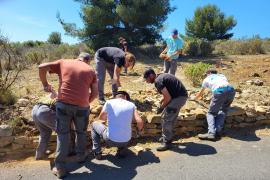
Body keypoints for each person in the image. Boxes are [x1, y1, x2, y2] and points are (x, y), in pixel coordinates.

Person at [38, 52, 98, 178]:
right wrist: (85, 102)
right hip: (82, 107)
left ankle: (59, 167)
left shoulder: (63, 62)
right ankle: (81, 156)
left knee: (63, 134)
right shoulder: (91, 70)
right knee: (81, 132)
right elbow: (95, 93)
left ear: (78, 58)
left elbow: (41, 67)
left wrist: (45, 84)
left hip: (64, 105)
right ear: (88, 60)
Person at [143, 69, 188, 151]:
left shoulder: (158, 81)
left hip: (178, 98)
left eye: (147, 79)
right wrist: (162, 101)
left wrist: (161, 107)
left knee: (166, 118)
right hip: (180, 96)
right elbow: (168, 93)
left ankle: (166, 142)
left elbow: (168, 98)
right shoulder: (161, 76)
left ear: (151, 76)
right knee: (171, 117)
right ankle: (168, 137)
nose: (147, 81)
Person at [91, 91, 143, 159]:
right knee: (123, 130)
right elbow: (139, 121)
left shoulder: (109, 102)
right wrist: (139, 132)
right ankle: (121, 151)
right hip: (126, 141)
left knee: (94, 124)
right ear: (125, 97)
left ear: (115, 97)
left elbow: (101, 118)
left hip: (110, 140)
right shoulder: (131, 105)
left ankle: (97, 152)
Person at [32, 90, 75, 160]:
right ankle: (68, 152)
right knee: (63, 131)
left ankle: (39, 155)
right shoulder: (66, 97)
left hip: (35, 110)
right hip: (44, 111)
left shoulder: (55, 94)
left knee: (44, 133)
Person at [195, 69, 235, 141]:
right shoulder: (222, 75)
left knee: (211, 113)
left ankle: (211, 133)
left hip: (220, 91)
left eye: (206, 73)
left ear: (209, 73)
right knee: (223, 111)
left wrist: (195, 98)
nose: (206, 75)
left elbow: (201, 93)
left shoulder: (206, 79)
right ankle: (218, 131)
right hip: (231, 90)